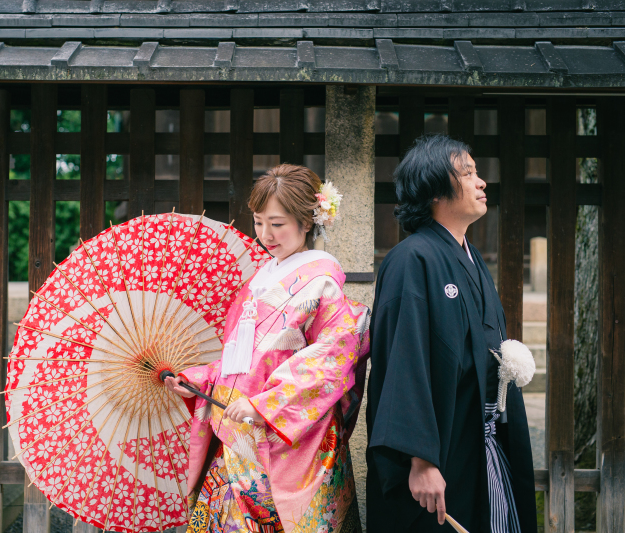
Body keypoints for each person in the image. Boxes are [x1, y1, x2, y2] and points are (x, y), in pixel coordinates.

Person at [164, 164, 371, 533]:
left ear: (308, 221)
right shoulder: (260, 279)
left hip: (290, 435)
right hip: (238, 431)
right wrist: (197, 381)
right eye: (259, 222)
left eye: (277, 224)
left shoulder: (322, 281)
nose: (265, 235)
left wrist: (266, 404)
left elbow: (332, 360)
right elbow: (239, 362)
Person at [365, 134, 537, 533]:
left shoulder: (472, 258)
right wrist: (419, 460)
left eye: (477, 173)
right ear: (434, 188)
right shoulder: (411, 260)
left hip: (482, 440)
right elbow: (402, 363)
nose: (481, 182)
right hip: (438, 451)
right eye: (468, 173)